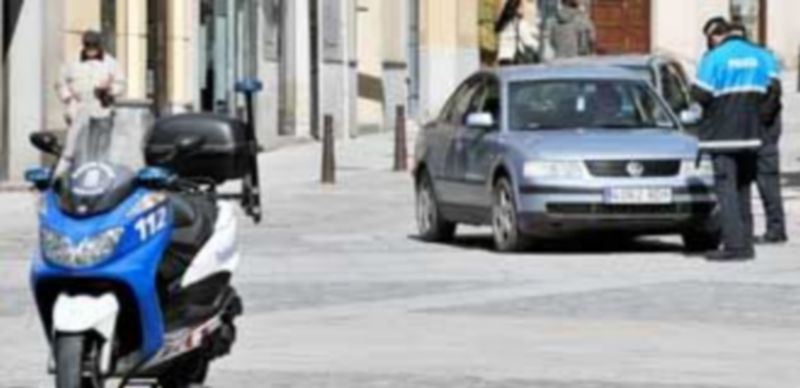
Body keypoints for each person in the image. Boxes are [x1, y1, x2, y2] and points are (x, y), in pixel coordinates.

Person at [691, 17, 781, 261]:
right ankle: (746, 242)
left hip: (721, 136)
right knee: (743, 189)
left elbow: (700, 93)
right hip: (752, 135)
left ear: (719, 36)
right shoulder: (762, 56)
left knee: (726, 190)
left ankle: (734, 246)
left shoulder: (715, 58)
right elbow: (774, 91)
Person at [729, 23, 788, 244]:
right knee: (763, 181)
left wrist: (759, 119)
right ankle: (772, 228)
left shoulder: (726, 59)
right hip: (762, 128)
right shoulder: (763, 56)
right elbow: (775, 91)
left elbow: (773, 92)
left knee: (750, 180)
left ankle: (766, 229)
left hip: (755, 129)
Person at [57, 30, 125, 164]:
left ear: (99, 45)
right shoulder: (72, 61)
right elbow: (60, 82)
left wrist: (110, 89)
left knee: (100, 145)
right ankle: (65, 173)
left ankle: (98, 171)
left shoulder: (111, 63)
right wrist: (68, 98)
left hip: (102, 106)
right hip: (78, 106)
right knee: (73, 145)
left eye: (94, 46)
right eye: (87, 45)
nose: (90, 49)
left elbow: (121, 84)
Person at [495, 0, 541, 65]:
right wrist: (537, 45)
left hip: (502, 58)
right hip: (513, 58)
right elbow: (528, 41)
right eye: (521, 7)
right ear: (516, 9)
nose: (523, 9)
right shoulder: (520, 23)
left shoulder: (502, 24)